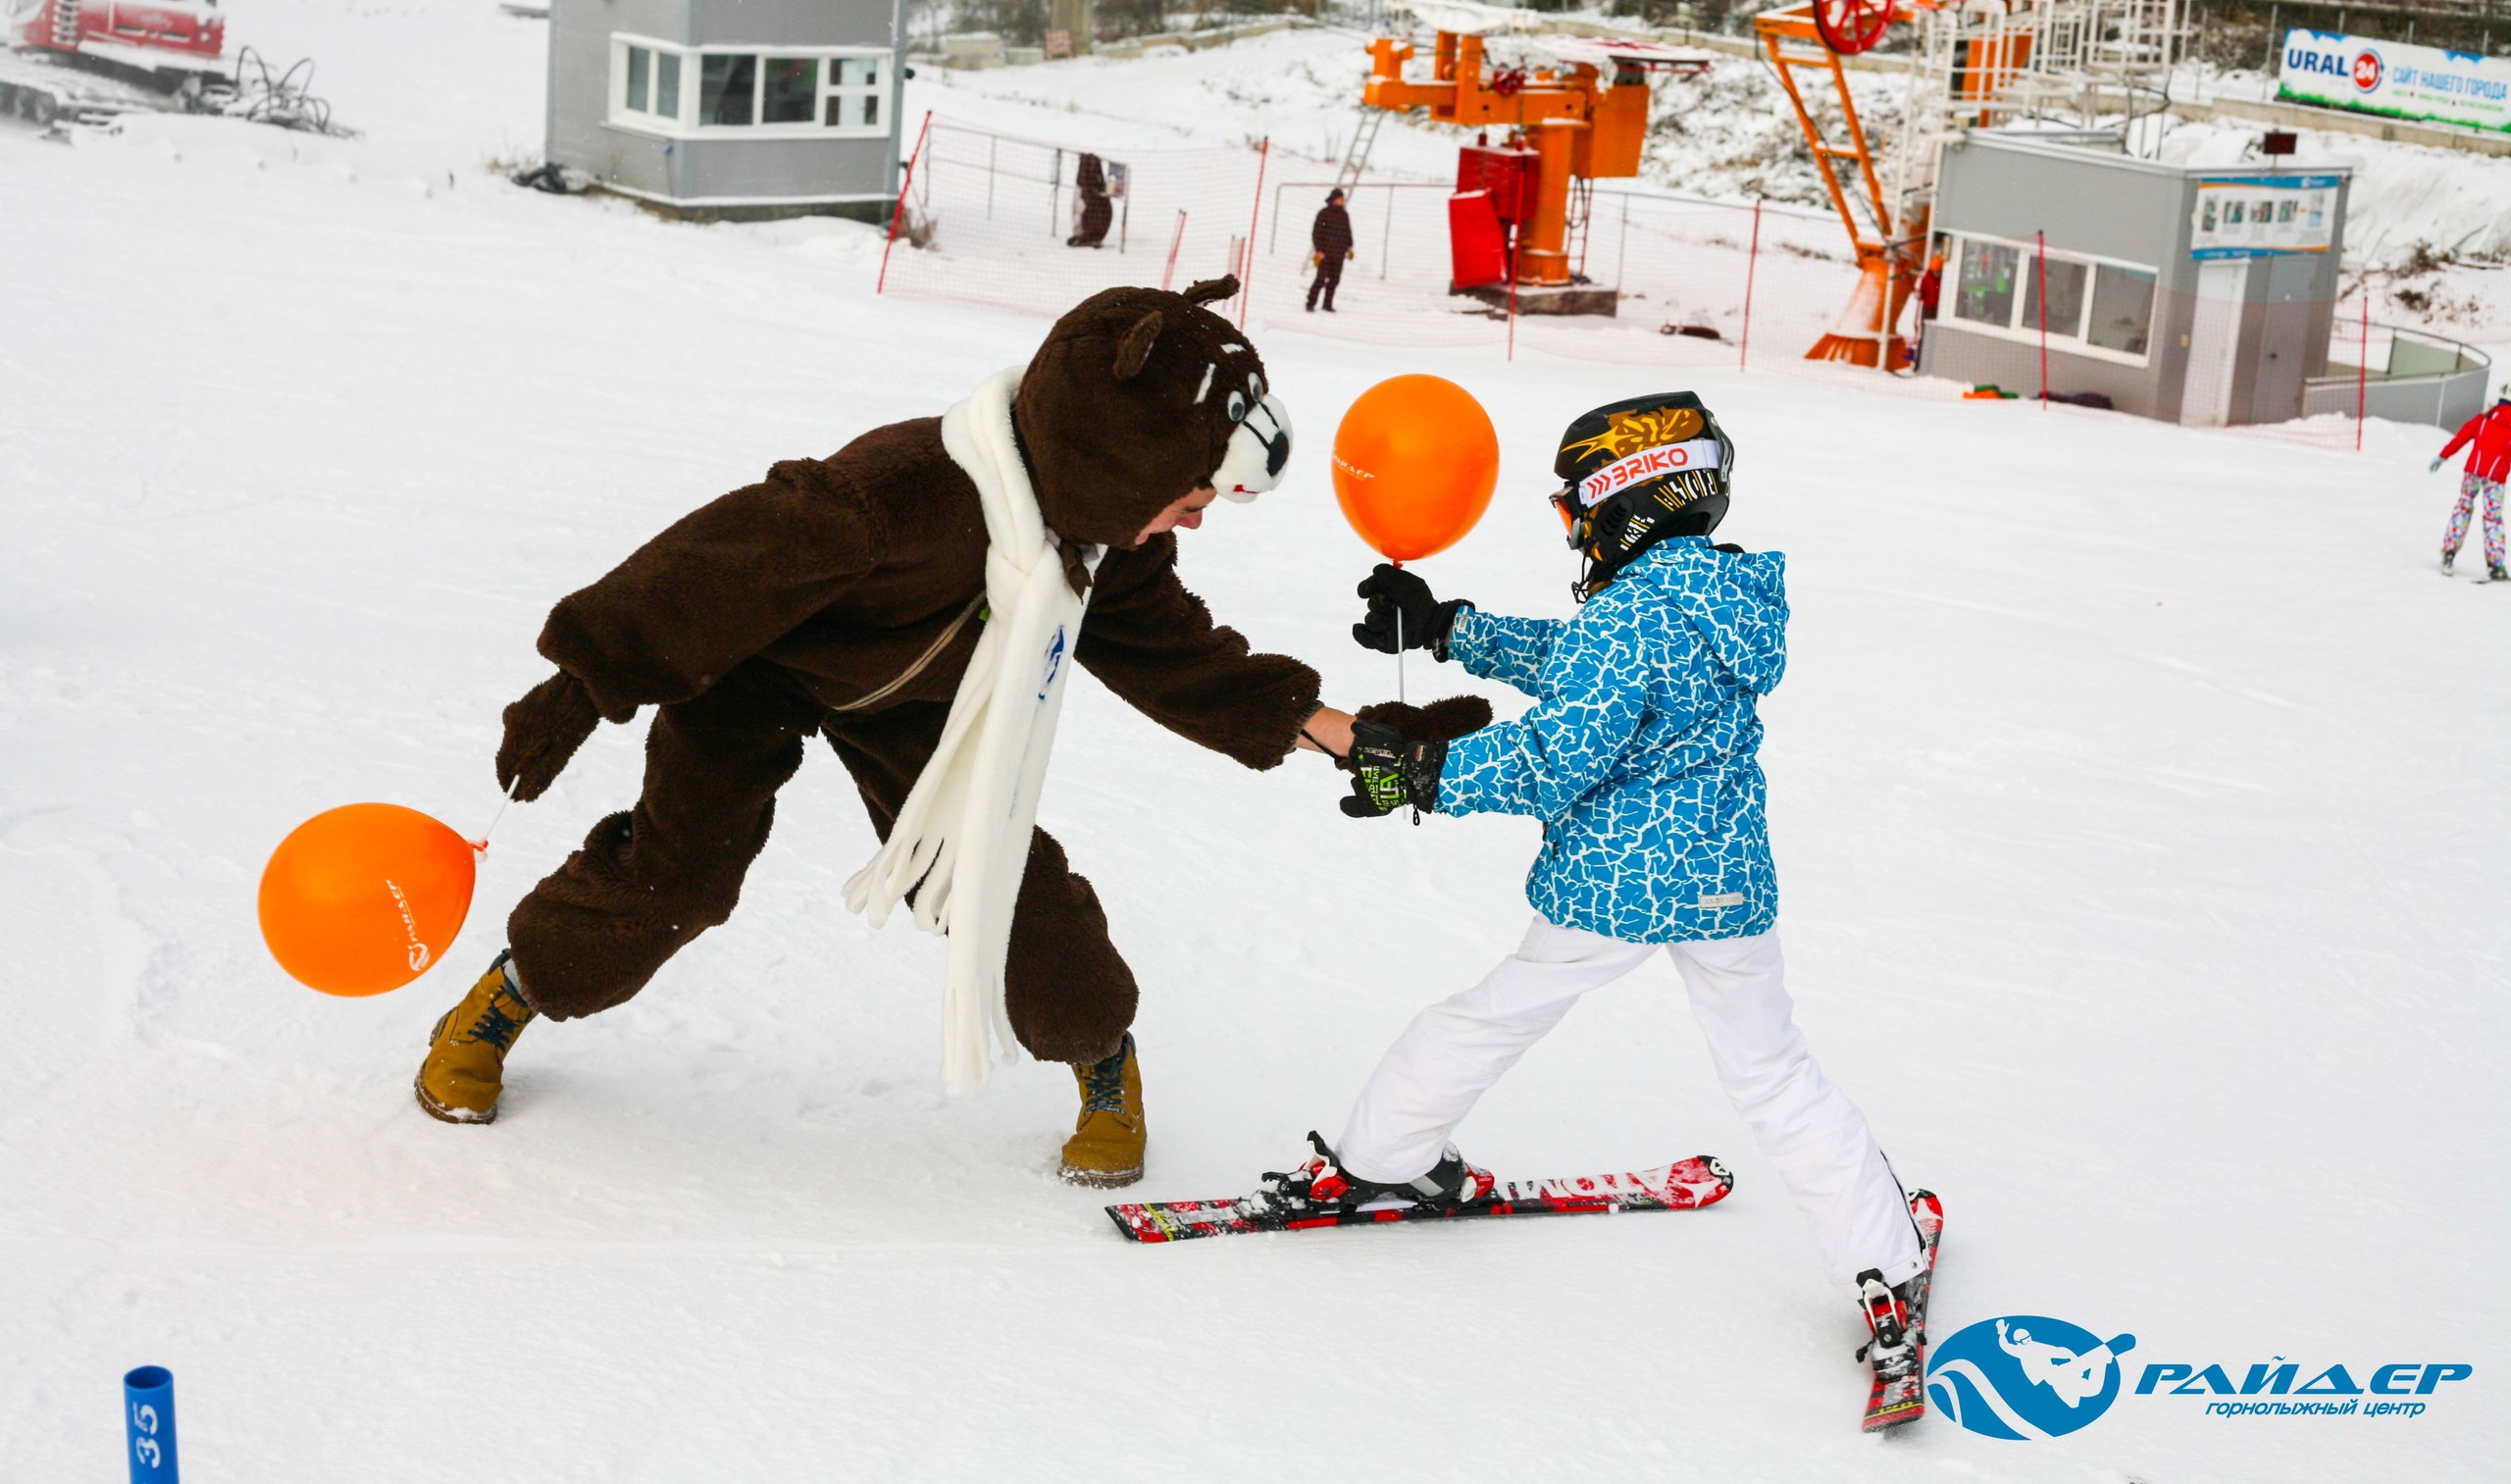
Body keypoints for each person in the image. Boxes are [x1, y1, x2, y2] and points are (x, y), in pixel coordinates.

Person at [415, 277, 1361, 1190]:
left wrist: (1317, 726)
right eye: (1191, 498)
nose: (1192, 523)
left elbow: (1177, 655)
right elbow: (711, 569)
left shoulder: (1099, 542)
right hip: (756, 670)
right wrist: (584, 682)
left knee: (996, 874)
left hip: (916, 710)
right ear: (1114, 464)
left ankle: (1100, 1053)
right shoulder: (898, 496)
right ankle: (513, 993)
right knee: (678, 874)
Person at [1242, 390, 1933, 1372]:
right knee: (1773, 1071)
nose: (1569, 527)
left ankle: (1381, 1156)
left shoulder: (1625, 618)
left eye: (1573, 507)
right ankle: (1885, 1261)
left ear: (1624, 500)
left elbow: (1555, 751)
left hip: (1613, 885)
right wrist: (1451, 628)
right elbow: (1583, 663)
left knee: (1493, 1012)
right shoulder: (1712, 597)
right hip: (1725, 884)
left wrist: (1426, 769)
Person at [2432, 384, 2511, 580]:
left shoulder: (2484, 418)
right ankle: (2495, 565)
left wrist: (2443, 456)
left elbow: (2462, 437)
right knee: (2492, 519)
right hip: (2496, 479)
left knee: (2463, 509)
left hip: (2472, 474)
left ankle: (2449, 552)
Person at [1307, 187, 1355, 312]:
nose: (1342, 201)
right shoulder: (1324, 214)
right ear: (1334, 199)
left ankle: (1327, 304)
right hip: (1325, 254)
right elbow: (1317, 233)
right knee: (1321, 279)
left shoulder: (1344, 215)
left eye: (1343, 199)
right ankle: (1310, 303)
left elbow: (1347, 231)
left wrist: (1349, 246)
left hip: (1339, 253)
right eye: (1340, 198)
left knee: (1334, 280)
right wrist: (1319, 250)